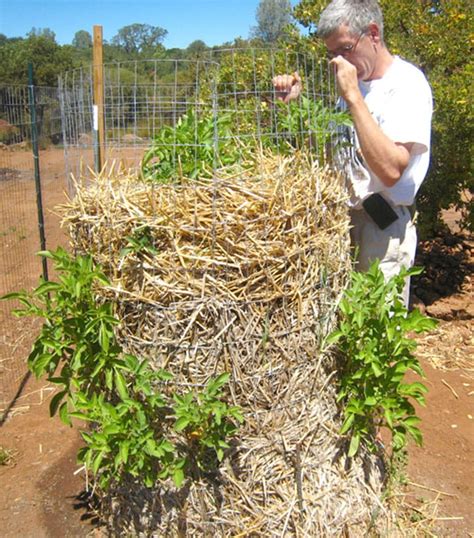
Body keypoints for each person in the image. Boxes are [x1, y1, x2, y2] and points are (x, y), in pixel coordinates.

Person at [273, 0, 433, 306]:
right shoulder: (356, 84)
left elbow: (390, 169)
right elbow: (336, 156)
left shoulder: (406, 84)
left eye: (344, 49)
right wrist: (292, 108)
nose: (338, 61)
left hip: (380, 230)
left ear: (373, 33)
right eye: (331, 54)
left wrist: (352, 96)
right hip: (341, 223)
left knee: (374, 330)